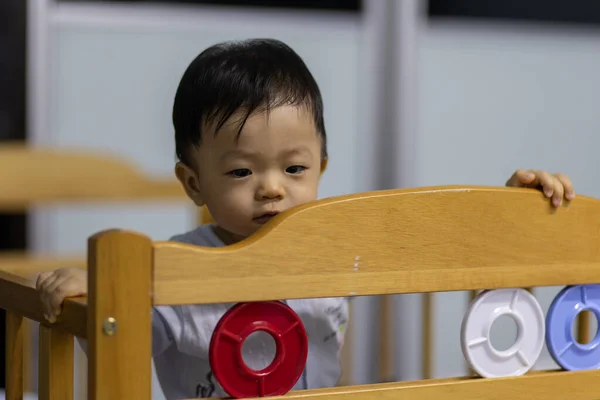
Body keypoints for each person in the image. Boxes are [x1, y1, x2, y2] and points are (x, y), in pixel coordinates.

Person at [35, 38, 575, 399]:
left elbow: (446, 252)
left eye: (294, 167)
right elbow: (120, 334)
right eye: (242, 171)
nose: (272, 188)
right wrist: (99, 292)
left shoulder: (337, 246)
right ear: (194, 182)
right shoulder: (176, 270)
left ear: (322, 167)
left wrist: (510, 212)